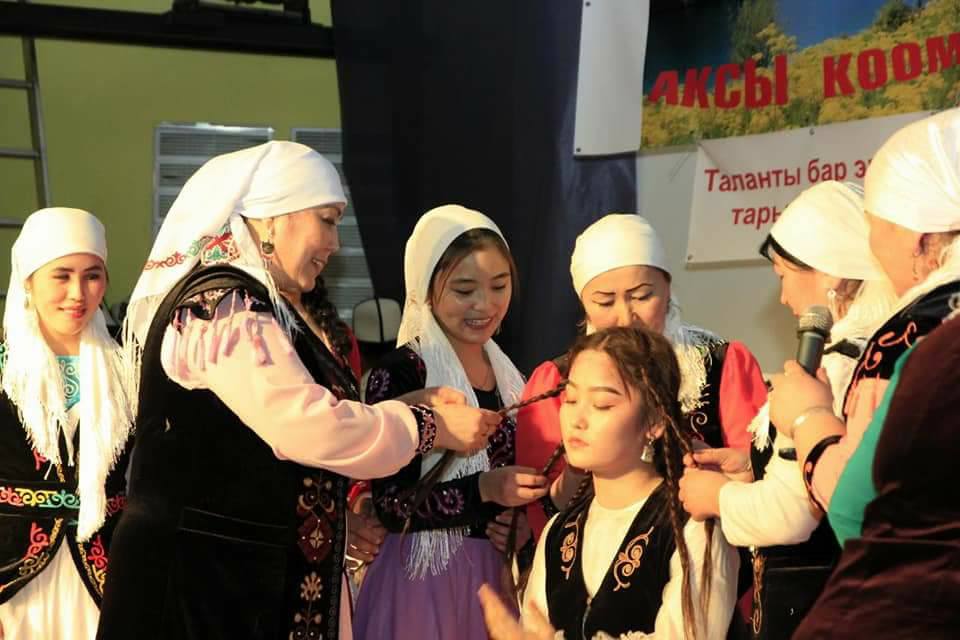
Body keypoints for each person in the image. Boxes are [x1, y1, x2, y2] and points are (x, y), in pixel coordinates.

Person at [95, 142, 499, 640]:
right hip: (199, 581)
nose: (335, 243)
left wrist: (404, 408)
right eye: (326, 221)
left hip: (234, 577)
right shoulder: (223, 309)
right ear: (271, 220)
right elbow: (309, 428)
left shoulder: (262, 309)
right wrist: (428, 427)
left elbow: (301, 419)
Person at [770, 109, 960, 639]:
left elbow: (862, 510)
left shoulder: (916, 337)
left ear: (919, 237)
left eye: (876, 225)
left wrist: (808, 417)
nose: (870, 246)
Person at [676, 181, 896, 637]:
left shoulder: (836, 370)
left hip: (817, 604)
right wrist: (749, 468)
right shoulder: (876, 354)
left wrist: (715, 497)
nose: (782, 298)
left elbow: (792, 515)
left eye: (782, 276)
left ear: (830, 275)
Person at [353, 205, 547, 640]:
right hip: (420, 584)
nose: (485, 304)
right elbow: (392, 504)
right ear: (426, 288)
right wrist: (485, 490)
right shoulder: (403, 373)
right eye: (464, 290)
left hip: (494, 579)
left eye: (499, 286)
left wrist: (519, 525)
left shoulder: (513, 380)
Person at [518, 214, 767, 540]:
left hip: (707, 550)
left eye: (642, 296)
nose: (625, 317)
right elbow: (537, 511)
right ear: (583, 304)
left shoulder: (721, 364)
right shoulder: (557, 381)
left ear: (668, 289)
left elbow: (764, 483)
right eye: (605, 301)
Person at [517, 327, 738, 639]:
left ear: (654, 421)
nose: (577, 419)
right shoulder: (559, 531)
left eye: (602, 405)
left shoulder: (692, 523)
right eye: (571, 399)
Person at [0, 208, 134, 640]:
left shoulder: (129, 368)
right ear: (28, 279)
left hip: (104, 576)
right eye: (61, 275)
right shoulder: (4, 368)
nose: (78, 293)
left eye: (92, 276)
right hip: (13, 583)